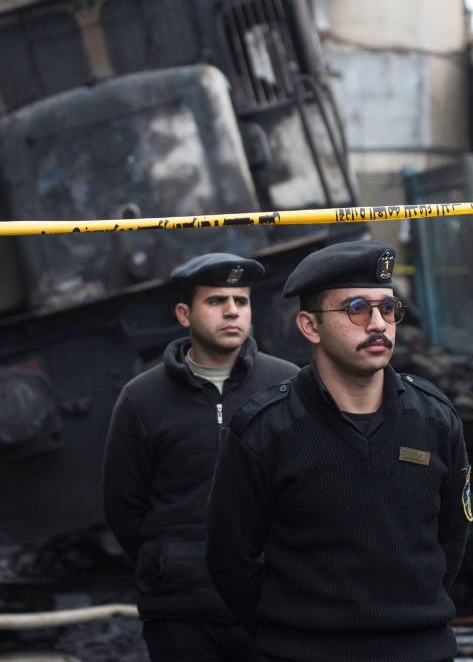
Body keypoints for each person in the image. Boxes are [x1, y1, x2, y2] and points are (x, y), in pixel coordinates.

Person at [206, 240, 470, 662]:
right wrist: (291, 634)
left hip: (420, 651)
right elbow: (229, 557)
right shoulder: (266, 430)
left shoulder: (434, 420)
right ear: (310, 326)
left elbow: (452, 538)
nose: (378, 324)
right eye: (356, 309)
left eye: (388, 309)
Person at [102, 252, 298, 662]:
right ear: (184, 314)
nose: (232, 311)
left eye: (241, 301)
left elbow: (309, 487)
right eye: (215, 301)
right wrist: (169, 562)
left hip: (271, 606)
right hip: (180, 613)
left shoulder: (287, 385)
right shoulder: (141, 398)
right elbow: (123, 504)